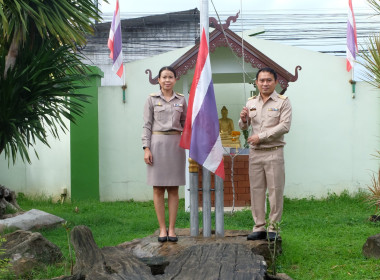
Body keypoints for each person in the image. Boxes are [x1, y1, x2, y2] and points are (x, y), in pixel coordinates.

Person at [239, 67, 292, 241]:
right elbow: (244, 126)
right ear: (256, 82)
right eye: (261, 80)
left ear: (276, 82)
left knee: (275, 191)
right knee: (256, 190)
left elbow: (284, 126)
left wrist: (260, 137)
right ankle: (259, 226)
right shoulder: (251, 102)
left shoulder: (283, 102)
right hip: (255, 154)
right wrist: (243, 119)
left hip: (273, 152)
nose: (265, 83)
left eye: (269, 80)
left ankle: (273, 228)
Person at [142, 66, 187, 243]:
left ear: (176, 79)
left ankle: (172, 229)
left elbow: (186, 124)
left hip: (176, 145)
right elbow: (146, 124)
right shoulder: (151, 100)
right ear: (158, 80)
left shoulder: (182, 100)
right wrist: (146, 148)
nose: (167, 80)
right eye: (164, 77)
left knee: (174, 188)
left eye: (170, 77)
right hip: (157, 144)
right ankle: (162, 229)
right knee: (158, 188)